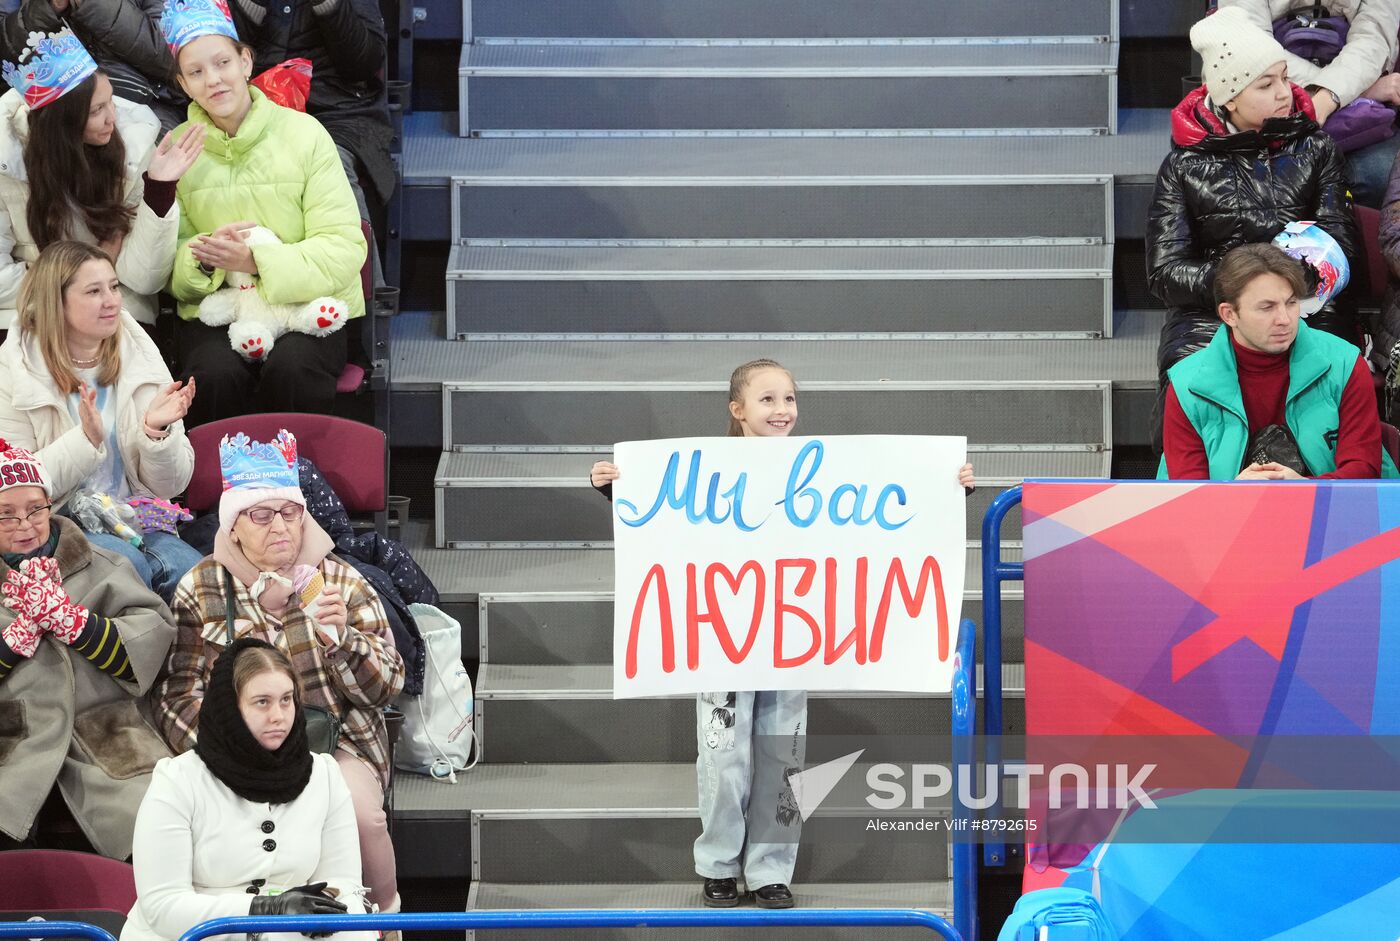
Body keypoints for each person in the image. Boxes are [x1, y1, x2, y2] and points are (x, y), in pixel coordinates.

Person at [589, 359, 976, 909]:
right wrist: (616, 489)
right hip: (723, 638)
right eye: (768, 399)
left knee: (783, 757)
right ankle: (719, 863)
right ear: (737, 408)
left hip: (793, 640)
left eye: (789, 399)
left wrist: (945, 490)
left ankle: (771, 868)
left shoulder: (823, 472)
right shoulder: (706, 469)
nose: (782, 410)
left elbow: (887, 519)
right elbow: (662, 521)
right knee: (722, 756)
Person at [153, 428, 404, 913]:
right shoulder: (200, 587)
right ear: (233, 527)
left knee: (358, 814)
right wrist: (228, 748)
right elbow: (176, 694)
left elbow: (386, 688)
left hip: (335, 743)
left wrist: (343, 641)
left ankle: (385, 916)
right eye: (261, 515)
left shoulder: (340, 580)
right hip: (230, 745)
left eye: (290, 513)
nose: (280, 527)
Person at [1148, 7, 1358, 450]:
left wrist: (1284, 289)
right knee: (1188, 372)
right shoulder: (1183, 167)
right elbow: (1165, 273)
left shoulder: (1316, 148)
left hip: (1307, 304)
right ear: (1229, 98)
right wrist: (1241, 289)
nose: (1286, 92)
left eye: (1284, 77)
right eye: (1266, 84)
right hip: (1213, 314)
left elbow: (1342, 246)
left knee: (1331, 363)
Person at [162, 0, 368, 427]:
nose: (214, 80)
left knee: (294, 366)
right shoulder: (177, 149)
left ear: (245, 61)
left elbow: (344, 246)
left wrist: (255, 261)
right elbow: (169, 264)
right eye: (197, 72)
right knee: (211, 375)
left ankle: (293, 488)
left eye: (223, 63)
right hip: (222, 309)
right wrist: (201, 260)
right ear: (183, 83)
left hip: (309, 308)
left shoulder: (305, 134)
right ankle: (214, 492)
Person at [123, 638, 372, 941]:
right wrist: (265, 911)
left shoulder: (325, 775)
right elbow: (163, 907)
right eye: (262, 702)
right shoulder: (177, 780)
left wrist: (339, 926)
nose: (279, 716)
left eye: (286, 699)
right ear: (230, 709)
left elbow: (343, 885)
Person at [0, 439, 175, 859]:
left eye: (35, 509)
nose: (25, 525)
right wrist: (10, 644)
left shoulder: (104, 565)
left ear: (50, 505)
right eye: (6, 515)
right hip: (10, 740)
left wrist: (78, 625)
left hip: (109, 733)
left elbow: (152, 636)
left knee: (156, 834)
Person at [0, 241, 202, 600]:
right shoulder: (14, 369)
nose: (111, 300)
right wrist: (85, 442)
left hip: (139, 515)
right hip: (62, 523)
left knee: (195, 577)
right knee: (128, 572)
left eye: (114, 287)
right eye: (94, 291)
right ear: (55, 302)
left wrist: (156, 434)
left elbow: (171, 485)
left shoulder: (139, 352)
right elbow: (16, 489)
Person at [0, 26, 203, 330]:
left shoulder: (133, 147)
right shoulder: (7, 159)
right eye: (97, 110)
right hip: (31, 313)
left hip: (115, 311)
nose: (113, 117)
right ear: (61, 123)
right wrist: (82, 272)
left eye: (111, 101)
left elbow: (144, 280)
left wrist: (159, 190)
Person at [1159, 242, 1398, 479]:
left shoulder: (1343, 363)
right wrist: (1232, 494)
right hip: (1227, 514)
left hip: (1328, 511)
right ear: (1229, 314)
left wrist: (1301, 490)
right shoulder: (1186, 385)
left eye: (1291, 303)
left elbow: (1362, 471)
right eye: (1267, 308)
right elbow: (1187, 493)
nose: (1284, 319)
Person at [226, 0, 394, 236]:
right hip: (249, 108)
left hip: (335, 110)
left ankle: (356, 271)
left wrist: (328, 5)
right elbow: (213, 58)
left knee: (332, 165)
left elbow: (364, 65)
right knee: (213, 167)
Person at [1215, 0, 1400, 208]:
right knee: (1247, 182)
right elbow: (1246, 42)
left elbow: (1373, 40)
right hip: (1266, 87)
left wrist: (1330, 95)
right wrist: (1355, 92)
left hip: (1361, 106)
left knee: (1379, 177)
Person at [0, 0, 187, 132]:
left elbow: (176, 60)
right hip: (62, 117)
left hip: (152, 105)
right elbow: (7, 66)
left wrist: (92, 4)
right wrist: (46, 10)